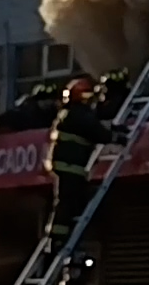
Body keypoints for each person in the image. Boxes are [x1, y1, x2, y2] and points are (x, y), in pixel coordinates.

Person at [43, 76, 125, 248]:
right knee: (67, 201)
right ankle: (58, 239)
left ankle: (59, 238)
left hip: (69, 165)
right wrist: (116, 137)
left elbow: (94, 125)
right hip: (71, 165)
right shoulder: (79, 114)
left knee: (72, 200)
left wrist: (114, 129)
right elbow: (95, 131)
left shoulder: (71, 113)